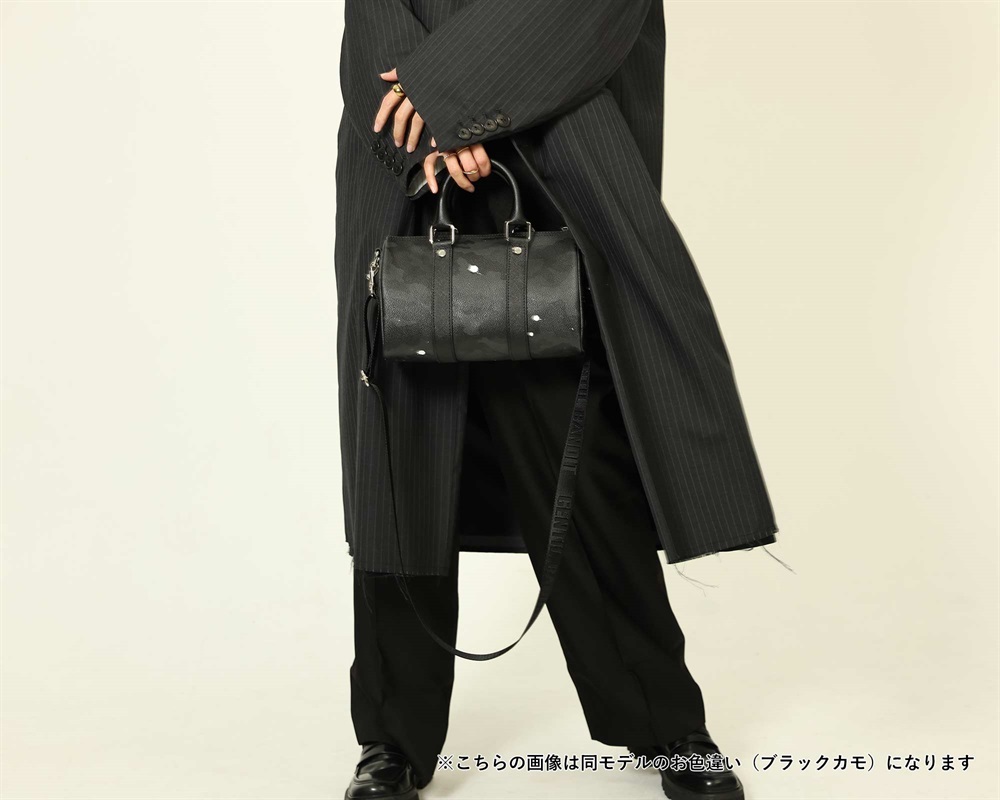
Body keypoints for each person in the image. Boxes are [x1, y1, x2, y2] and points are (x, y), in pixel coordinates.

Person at [336, 2, 779, 798]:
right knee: (400, 443)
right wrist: (420, 116)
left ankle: (661, 718)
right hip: (403, 140)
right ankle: (391, 736)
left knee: (578, 445)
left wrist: (447, 93)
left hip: (562, 134)